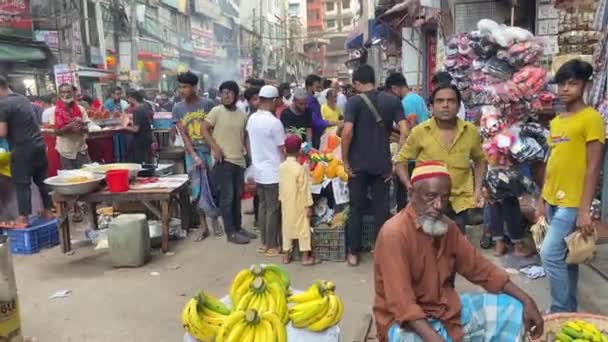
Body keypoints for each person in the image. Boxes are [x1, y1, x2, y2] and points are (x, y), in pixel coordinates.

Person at [373, 162, 544, 342]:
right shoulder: (394, 234)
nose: (439, 205)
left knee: (513, 310)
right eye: (430, 197)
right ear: (411, 195)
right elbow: (403, 305)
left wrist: (526, 300)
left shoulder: (448, 227)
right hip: (404, 323)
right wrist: (436, 339)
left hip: (444, 310)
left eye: (444, 198)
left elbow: (481, 269)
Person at [538, 60, 605, 313]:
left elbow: (594, 166)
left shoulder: (592, 118)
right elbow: (552, 160)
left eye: (573, 83)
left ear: (585, 84)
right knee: (568, 259)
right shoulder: (557, 121)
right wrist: (542, 197)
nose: (565, 88)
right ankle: (569, 310)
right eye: (562, 83)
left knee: (549, 254)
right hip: (553, 198)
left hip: (573, 202)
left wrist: (585, 209)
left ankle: (559, 310)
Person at [395, 84, 486, 234]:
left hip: (459, 203)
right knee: (427, 248)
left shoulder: (470, 131)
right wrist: (409, 186)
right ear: (431, 106)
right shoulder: (420, 132)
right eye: (440, 101)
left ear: (458, 106)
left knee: (455, 249)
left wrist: (477, 191)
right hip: (427, 204)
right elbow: (401, 160)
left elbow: (480, 160)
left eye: (451, 101)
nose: (445, 105)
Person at [341, 64, 409, 266]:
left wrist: (344, 160)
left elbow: (347, 132)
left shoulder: (353, 102)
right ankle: (382, 251)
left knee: (356, 208)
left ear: (356, 83)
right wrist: (397, 159)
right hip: (382, 165)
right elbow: (405, 129)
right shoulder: (392, 100)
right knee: (382, 209)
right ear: (375, 80)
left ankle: (353, 253)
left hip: (357, 165)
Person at [202, 80, 257, 244]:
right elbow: (203, 129)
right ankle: (231, 232)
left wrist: (249, 155)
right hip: (223, 160)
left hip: (239, 160)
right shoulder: (216, 111)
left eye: (229, 92)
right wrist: (215, 148)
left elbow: (245, 136)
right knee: (228, 197)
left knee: (237, 196)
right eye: (223, 92)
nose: (225, 95)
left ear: (235, 95)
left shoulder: (242, 114)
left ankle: (239, 228)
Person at [171, 71, 221, 239]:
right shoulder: (177, 108)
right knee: (197, 190)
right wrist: (193, 155)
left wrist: (215, 150)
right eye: (180, 87)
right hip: (192, 153)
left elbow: (215, 129)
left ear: (194, 87)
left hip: (209, 151)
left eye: (185, 86)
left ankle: (214, 217)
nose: (182, 90)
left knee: (214, 187)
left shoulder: (208, 104)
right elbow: (183, 134)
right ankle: (203, 227)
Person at [0, 76, 54, 227]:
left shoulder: (2, 104)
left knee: (21, 184)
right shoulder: (22, 99)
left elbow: (2, 132)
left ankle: (23, 219)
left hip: (22, 149)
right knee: (42, 181)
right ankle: (49, 211)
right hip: (39, 146)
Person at [246, 85, 286, 255]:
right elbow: (283, 149)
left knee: (262, 207)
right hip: (273, 172)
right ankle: (272, 245)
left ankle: (264, 242)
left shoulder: (252, 119)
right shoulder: (274, 123)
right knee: (273, 209)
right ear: (274, 100)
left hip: (258, 170)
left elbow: (248, 142)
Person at [279, 134, 320, 265]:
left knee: (287, 228)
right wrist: (308, 206)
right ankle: (305, 257)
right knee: (303, 229)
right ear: (299, 151)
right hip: (299, 203)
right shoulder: (299, 169)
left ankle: (286, 256)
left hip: (286, 203)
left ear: (285, 150)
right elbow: (304, 189)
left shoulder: (281, 167)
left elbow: (281, 186)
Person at [51, 83, 91, 170]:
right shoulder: (54, 111)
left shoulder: (81, 109)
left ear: (73, 93)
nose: (66, 94)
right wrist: (69, 126)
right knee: (70, 179)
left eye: (69, 91)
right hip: (65, 152)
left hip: (81, 150)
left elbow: (87, 131)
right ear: (59, 94)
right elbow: (56, 132)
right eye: (63, 92)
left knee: (88, 176)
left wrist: (82, 127)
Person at [123, 89, 153, 164]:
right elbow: (142, 122)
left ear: (132, 98)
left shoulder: (137, 110)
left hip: (140, 140)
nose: (127, 100)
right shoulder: (146, 106)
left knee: (139, 162)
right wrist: (131, 121)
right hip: (147, 138)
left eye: (128, 98)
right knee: (147, 160)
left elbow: (136, 129)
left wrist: (124, 126)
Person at [305, 74, 327, 148]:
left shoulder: (315, 100)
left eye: (320, 87)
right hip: (312, 138)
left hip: (318, 135)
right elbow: (316, 122)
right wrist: (335, 123)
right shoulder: (307, 102)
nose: (319, 90)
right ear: (309, 87)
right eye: (317, 87)